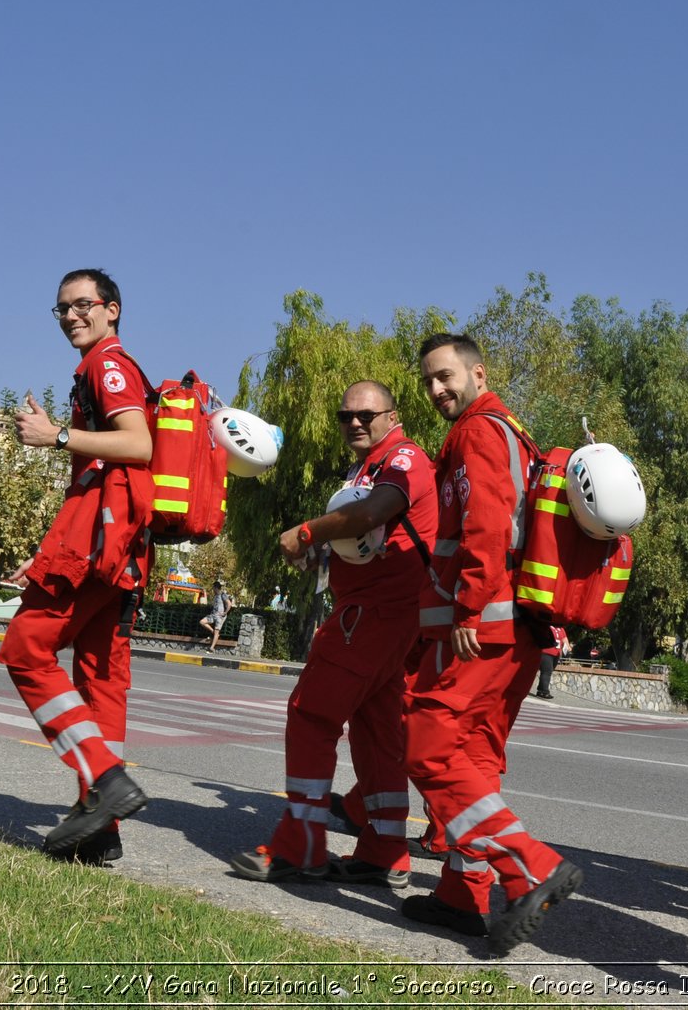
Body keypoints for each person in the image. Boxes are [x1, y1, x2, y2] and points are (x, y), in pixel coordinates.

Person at [401, 333, 583, 957]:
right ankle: (462, 893)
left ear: (478, 374)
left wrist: (471, 608)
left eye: (446, 376)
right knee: (473, 758)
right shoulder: (508, 431)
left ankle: (528, 867)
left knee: (427, 745)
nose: (436, 390)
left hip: (484, 626)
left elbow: (488, 522)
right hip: (513, 629)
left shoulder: (481, 431)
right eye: (428, 380)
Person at [228, 380, 437, 889]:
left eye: (367, 414)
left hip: (376, 613)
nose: (356, 423)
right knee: (376, 732)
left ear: (394, 415)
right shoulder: (367, 466)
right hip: (384, 613)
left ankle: (300, 844)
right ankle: (385, 850)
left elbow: (372, 513)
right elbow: (364, 535)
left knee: (310, 714)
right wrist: (324, 550)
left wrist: (305, 532)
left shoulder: (403, 460)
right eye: (347, 416)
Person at [0, 268, 153, 863]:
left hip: (99, 544)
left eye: (82, 305)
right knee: (100, 683)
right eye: (61, 308)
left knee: (24, 650)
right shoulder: (105, 366)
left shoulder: (107, 365)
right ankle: (100, 830)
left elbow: (137, 445)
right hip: (118, 550)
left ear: (111, 308)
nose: (70, 316)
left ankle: (104, 779)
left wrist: (54, 435)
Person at [534, 625, 567, 699]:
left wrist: (567, 647)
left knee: (548, 671)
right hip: (546, 652)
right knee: (547, 671)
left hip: (556, 654)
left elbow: (564, 639)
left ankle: (540, 690)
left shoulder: (561, 628)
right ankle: (544, 691)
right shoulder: (548, 625)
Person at [199, 581, 233, 650]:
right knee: (202, 622)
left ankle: (212, 647)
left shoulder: (223, 595)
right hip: (213, 615)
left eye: (213, 588)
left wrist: (225, 612)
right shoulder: (215, 596)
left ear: (216, 587)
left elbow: (229, 604)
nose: (212, 589)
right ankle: (213, 631)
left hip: (220, 617)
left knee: (217, 631)